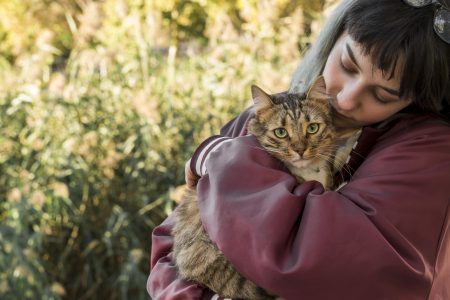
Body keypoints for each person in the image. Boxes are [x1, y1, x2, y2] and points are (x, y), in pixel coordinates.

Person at [148, 0, 450, 299]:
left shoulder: (428, 151)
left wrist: (220, 156)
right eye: (346, 66)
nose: (345, 100)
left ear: (416, 101)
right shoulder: (272, 110)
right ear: (333, 37)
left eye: (382, 95)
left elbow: (317, 257)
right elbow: (167, 245)